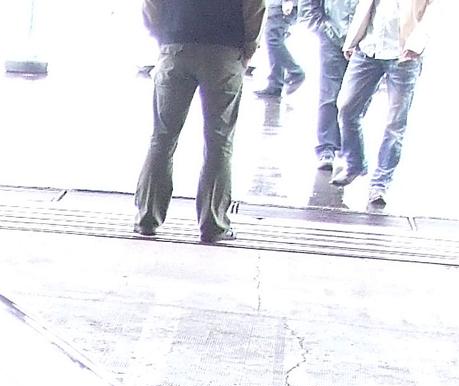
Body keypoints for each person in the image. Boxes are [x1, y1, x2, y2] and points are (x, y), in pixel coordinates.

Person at [135, 1, 268, 245]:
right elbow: (255, 8)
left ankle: (147, 218)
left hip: (175, 48)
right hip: (224, 52)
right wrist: (248, 49)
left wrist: (163, 37)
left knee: (162, 137)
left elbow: (151, 5)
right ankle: (213, 225)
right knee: (219, 142)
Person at [332, 0, 434, 211]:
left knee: (395, 123)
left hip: (404, 54)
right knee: (346, 107)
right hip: (368, 49)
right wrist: (352, 39)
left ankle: (380, 184)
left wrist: (418, 43)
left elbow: (436, 11)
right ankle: (355, 163)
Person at [300, 0, 360, 171]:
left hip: (365, 40)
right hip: (333, 35)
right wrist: (320, 26)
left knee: (357, 99)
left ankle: (350, 149)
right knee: (330, 93)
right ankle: (327, 148)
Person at [255, 1, 305, 97]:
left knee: (273, 41)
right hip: (280, 5)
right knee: (274, 41)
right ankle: (275, 84)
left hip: (281, 6)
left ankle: (295, 71)